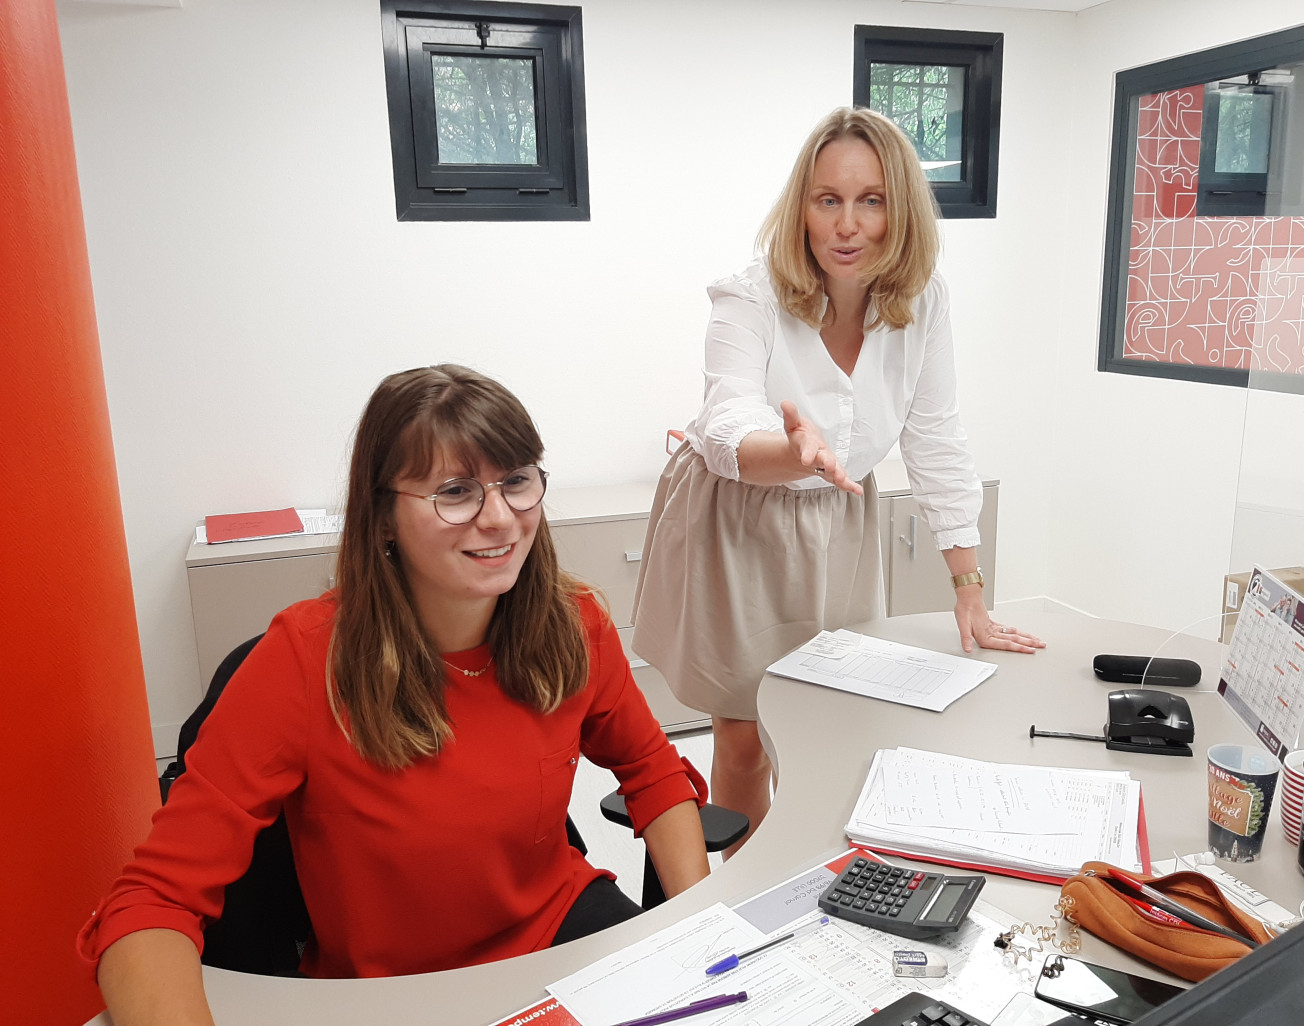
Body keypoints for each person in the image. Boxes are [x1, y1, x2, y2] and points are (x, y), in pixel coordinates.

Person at [80, 365, 710, 1024]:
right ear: (382, 517)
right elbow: (149, 904)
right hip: (393, 992)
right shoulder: (303, 661)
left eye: (517, 481)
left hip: (556, 939)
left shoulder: (573, 623)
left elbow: (651, 770)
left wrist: (698, 925)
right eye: (456, 492)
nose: (499, 518)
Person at [632, 108, 1045, 854]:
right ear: (803, 208)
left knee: (833, 715)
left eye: (872, 200)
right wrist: (795, 455)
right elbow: (726, 424)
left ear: (902, 211)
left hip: (844, 518)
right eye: (828, 200)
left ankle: (816, 868)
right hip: (742, 511)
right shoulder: (748, 295)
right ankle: (748, 879)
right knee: (746, 731)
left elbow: (935, 437)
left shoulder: (924, 303)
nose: (848, 225)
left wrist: (970, 592)